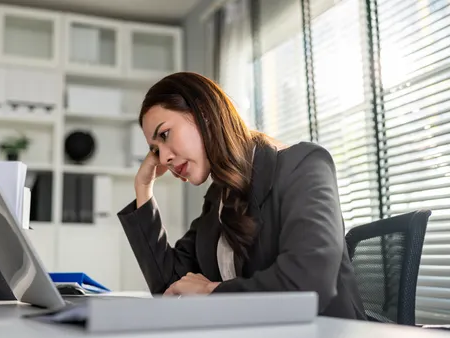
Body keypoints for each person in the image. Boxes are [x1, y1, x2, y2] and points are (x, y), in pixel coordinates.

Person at [116, 72, 366, 320]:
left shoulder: (304, 165)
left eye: (165, 134)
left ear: (204, 113)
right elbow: (169, 285)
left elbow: (309, 283)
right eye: (155, 150)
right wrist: (143, 187)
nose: (163, 158)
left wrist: (212, 291)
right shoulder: (219, 197)